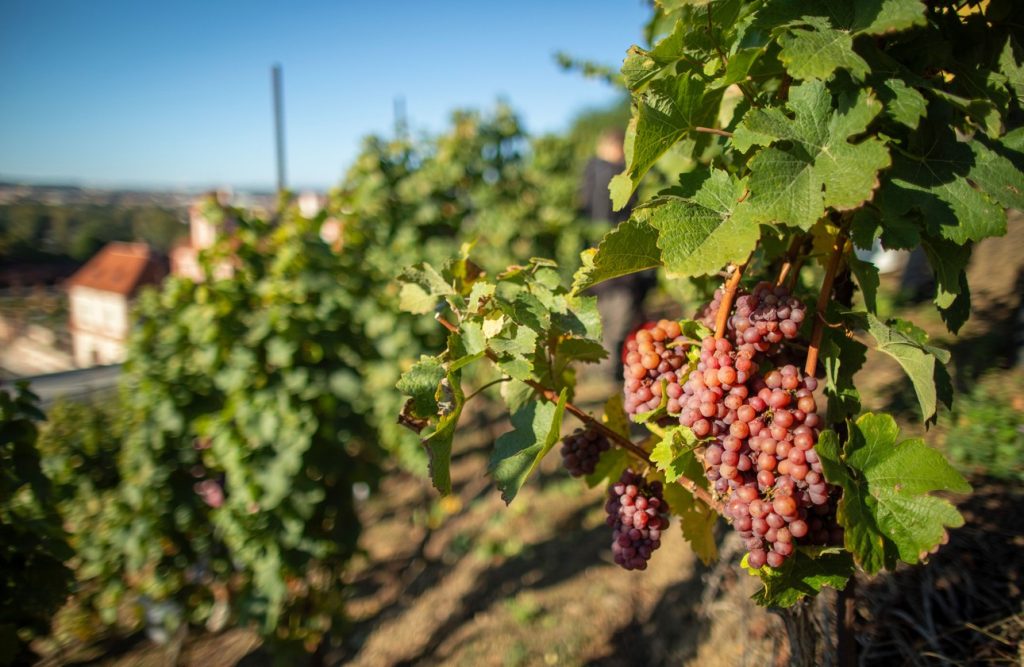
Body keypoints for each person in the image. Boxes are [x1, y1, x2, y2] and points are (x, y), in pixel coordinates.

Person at [579, 128, 653, 379]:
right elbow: (606, 218)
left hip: (605, 262)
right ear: (614, 147)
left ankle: (603, 369)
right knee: (616, 318)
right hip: (617, 261)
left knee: (607, 318)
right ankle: (608, 372)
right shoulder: (607, 175)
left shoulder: (591, 173)